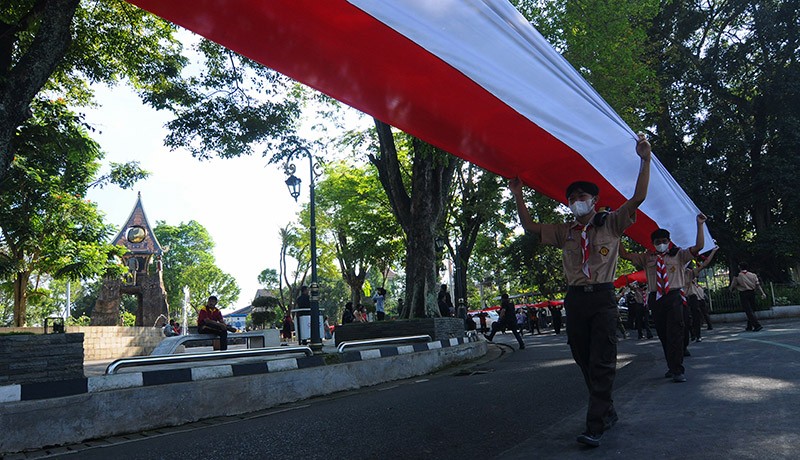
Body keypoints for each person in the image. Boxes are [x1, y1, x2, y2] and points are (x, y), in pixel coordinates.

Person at [510, 131, 651, 447]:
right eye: (572, 198)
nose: (576, 201)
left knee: (602, 359)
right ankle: (607, 410)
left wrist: (645, 159)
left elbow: (638, 197)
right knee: (583, 358)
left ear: (594, 200)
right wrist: (518, 193)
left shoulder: (612, 222)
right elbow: (530, 227)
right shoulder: (565, 231)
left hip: (602, 297)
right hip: (575, 300)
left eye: (582, 196)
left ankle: (595, 424)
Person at [620, 214, 707, 384]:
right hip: (656, 298)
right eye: (658, 241)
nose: (661, 244)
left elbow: (699, 247)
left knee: (675, 333)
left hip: (673, 296)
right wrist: (617, 233)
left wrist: (700, 225)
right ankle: (672, 366)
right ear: (653, 243)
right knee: (663, 334)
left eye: (664, 241)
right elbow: (624, 255)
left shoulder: (679, 255)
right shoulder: (647, 258)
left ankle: (677, 369)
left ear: (669, 241)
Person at [686, 246, 719, 342]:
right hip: (681, 297)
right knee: (685, 318)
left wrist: (713, 251)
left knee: (696, 316)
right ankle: (691, 333)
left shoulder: (690, 273)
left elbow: (704, 264)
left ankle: (697, 335)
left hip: (691, 296)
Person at [729, 262, 766, 332]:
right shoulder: (753, 275)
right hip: (752, 292)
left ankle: (757, 325)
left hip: (743, 293)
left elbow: (733, 285)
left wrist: (731, 290)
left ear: (739, 267)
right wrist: (762, 293)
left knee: (748, 310)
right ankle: (749, 326)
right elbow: (757, 285)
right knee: (752, 309)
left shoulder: (737, 276)